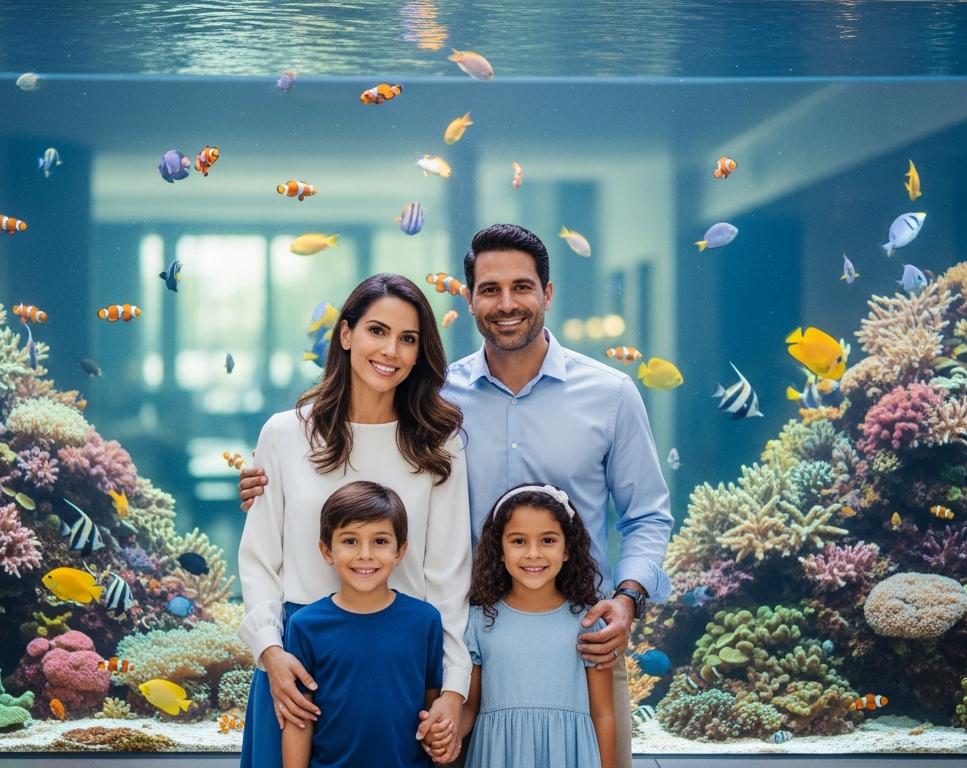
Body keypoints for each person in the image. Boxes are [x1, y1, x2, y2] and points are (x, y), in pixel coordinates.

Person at [243, 224, 673, 767]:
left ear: (548, 291)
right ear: (468, 299)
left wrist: (629, 599)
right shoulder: (436, 401)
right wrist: (266, 482)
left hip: (574, 644)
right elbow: (319, 464)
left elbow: (649, 514)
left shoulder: (608, 395)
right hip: (467, 647)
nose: (507, 302)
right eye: (490, 289)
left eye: (523, 286)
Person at [239, 273, 471, 768]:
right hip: (296, 665)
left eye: (408, 339)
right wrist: (270, 654)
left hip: (402, 668)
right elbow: (259, 560)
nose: (391, 350)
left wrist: (453, 689)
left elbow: (449, 576)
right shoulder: (284, 433)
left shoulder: (439, 441)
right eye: (377, 331)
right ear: (345, 335)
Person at [283, 481, 445, 768]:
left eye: (380, 541)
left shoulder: (425, 620)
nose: (365, 554)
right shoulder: (305, 625)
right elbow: (299, 719)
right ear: (326, 551)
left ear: (400, 551)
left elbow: (432, 709)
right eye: (350, 541)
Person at [460, 483, 615, 768]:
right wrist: (444, 732)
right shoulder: (478, 622)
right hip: (499, 757)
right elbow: (469, 709)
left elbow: (603, 714)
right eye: (519, 541)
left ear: (567, 548)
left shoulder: (589, 623)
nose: (533, 553)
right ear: (500, 550)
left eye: (548, 540)